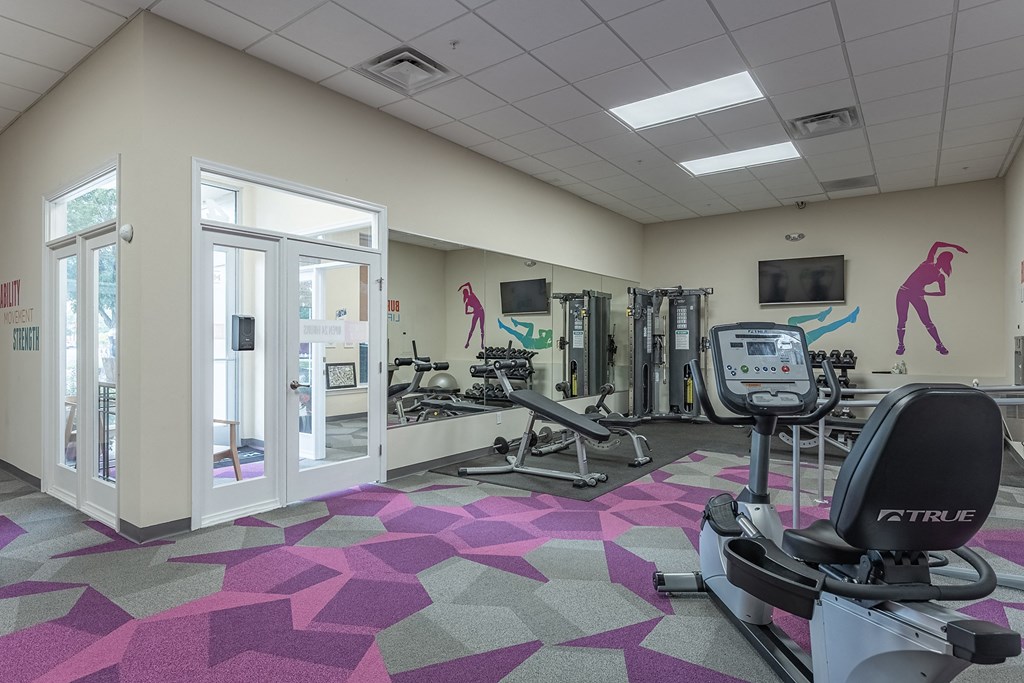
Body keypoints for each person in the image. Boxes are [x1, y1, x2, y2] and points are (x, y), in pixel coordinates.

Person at [896, 241, 967, 355]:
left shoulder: (938, 275)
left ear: (941, 259)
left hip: (916, 295)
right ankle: (901, 345)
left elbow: (942, 293)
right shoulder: (928, 264)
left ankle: (939, 344)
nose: (938, 258)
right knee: (903, 320)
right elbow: (937, 244)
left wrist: (925, 293)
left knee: (926, 321)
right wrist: (956, 246)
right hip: (903, 292)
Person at [788, 305, 859, 346]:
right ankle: (848, 319)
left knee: (791, 320)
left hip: (795, 342)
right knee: (824, 329)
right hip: (797, 345)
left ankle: (820, 315)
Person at [458, 282, 485, 349]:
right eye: (465, 294)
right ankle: (468, 342)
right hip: (476, 313)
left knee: (481, 327)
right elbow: (466, 312)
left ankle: (482, 343)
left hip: (481, 311)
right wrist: (472, 312)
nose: (466, 294)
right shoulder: (467, 302)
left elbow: (468, 284)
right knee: (472, 328)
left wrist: (462, 286)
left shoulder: (472, 294)